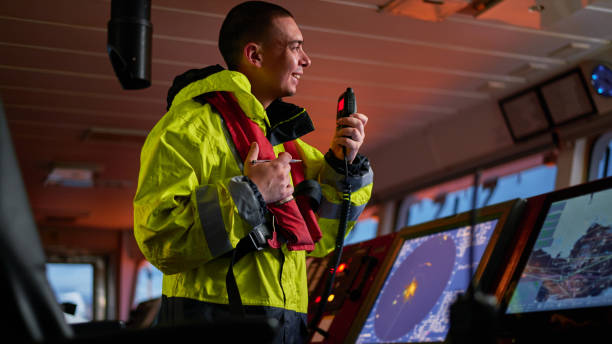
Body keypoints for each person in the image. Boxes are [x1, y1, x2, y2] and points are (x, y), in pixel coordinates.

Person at [133, 1, 373, 343]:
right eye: (295, 47)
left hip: (286, 326)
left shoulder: (290, 148)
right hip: (210, 322)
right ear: (254, 55)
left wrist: (341, 164)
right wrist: (250, 194)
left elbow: (324, 241)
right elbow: (160, 238)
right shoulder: (186, 129)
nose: (306, 60)